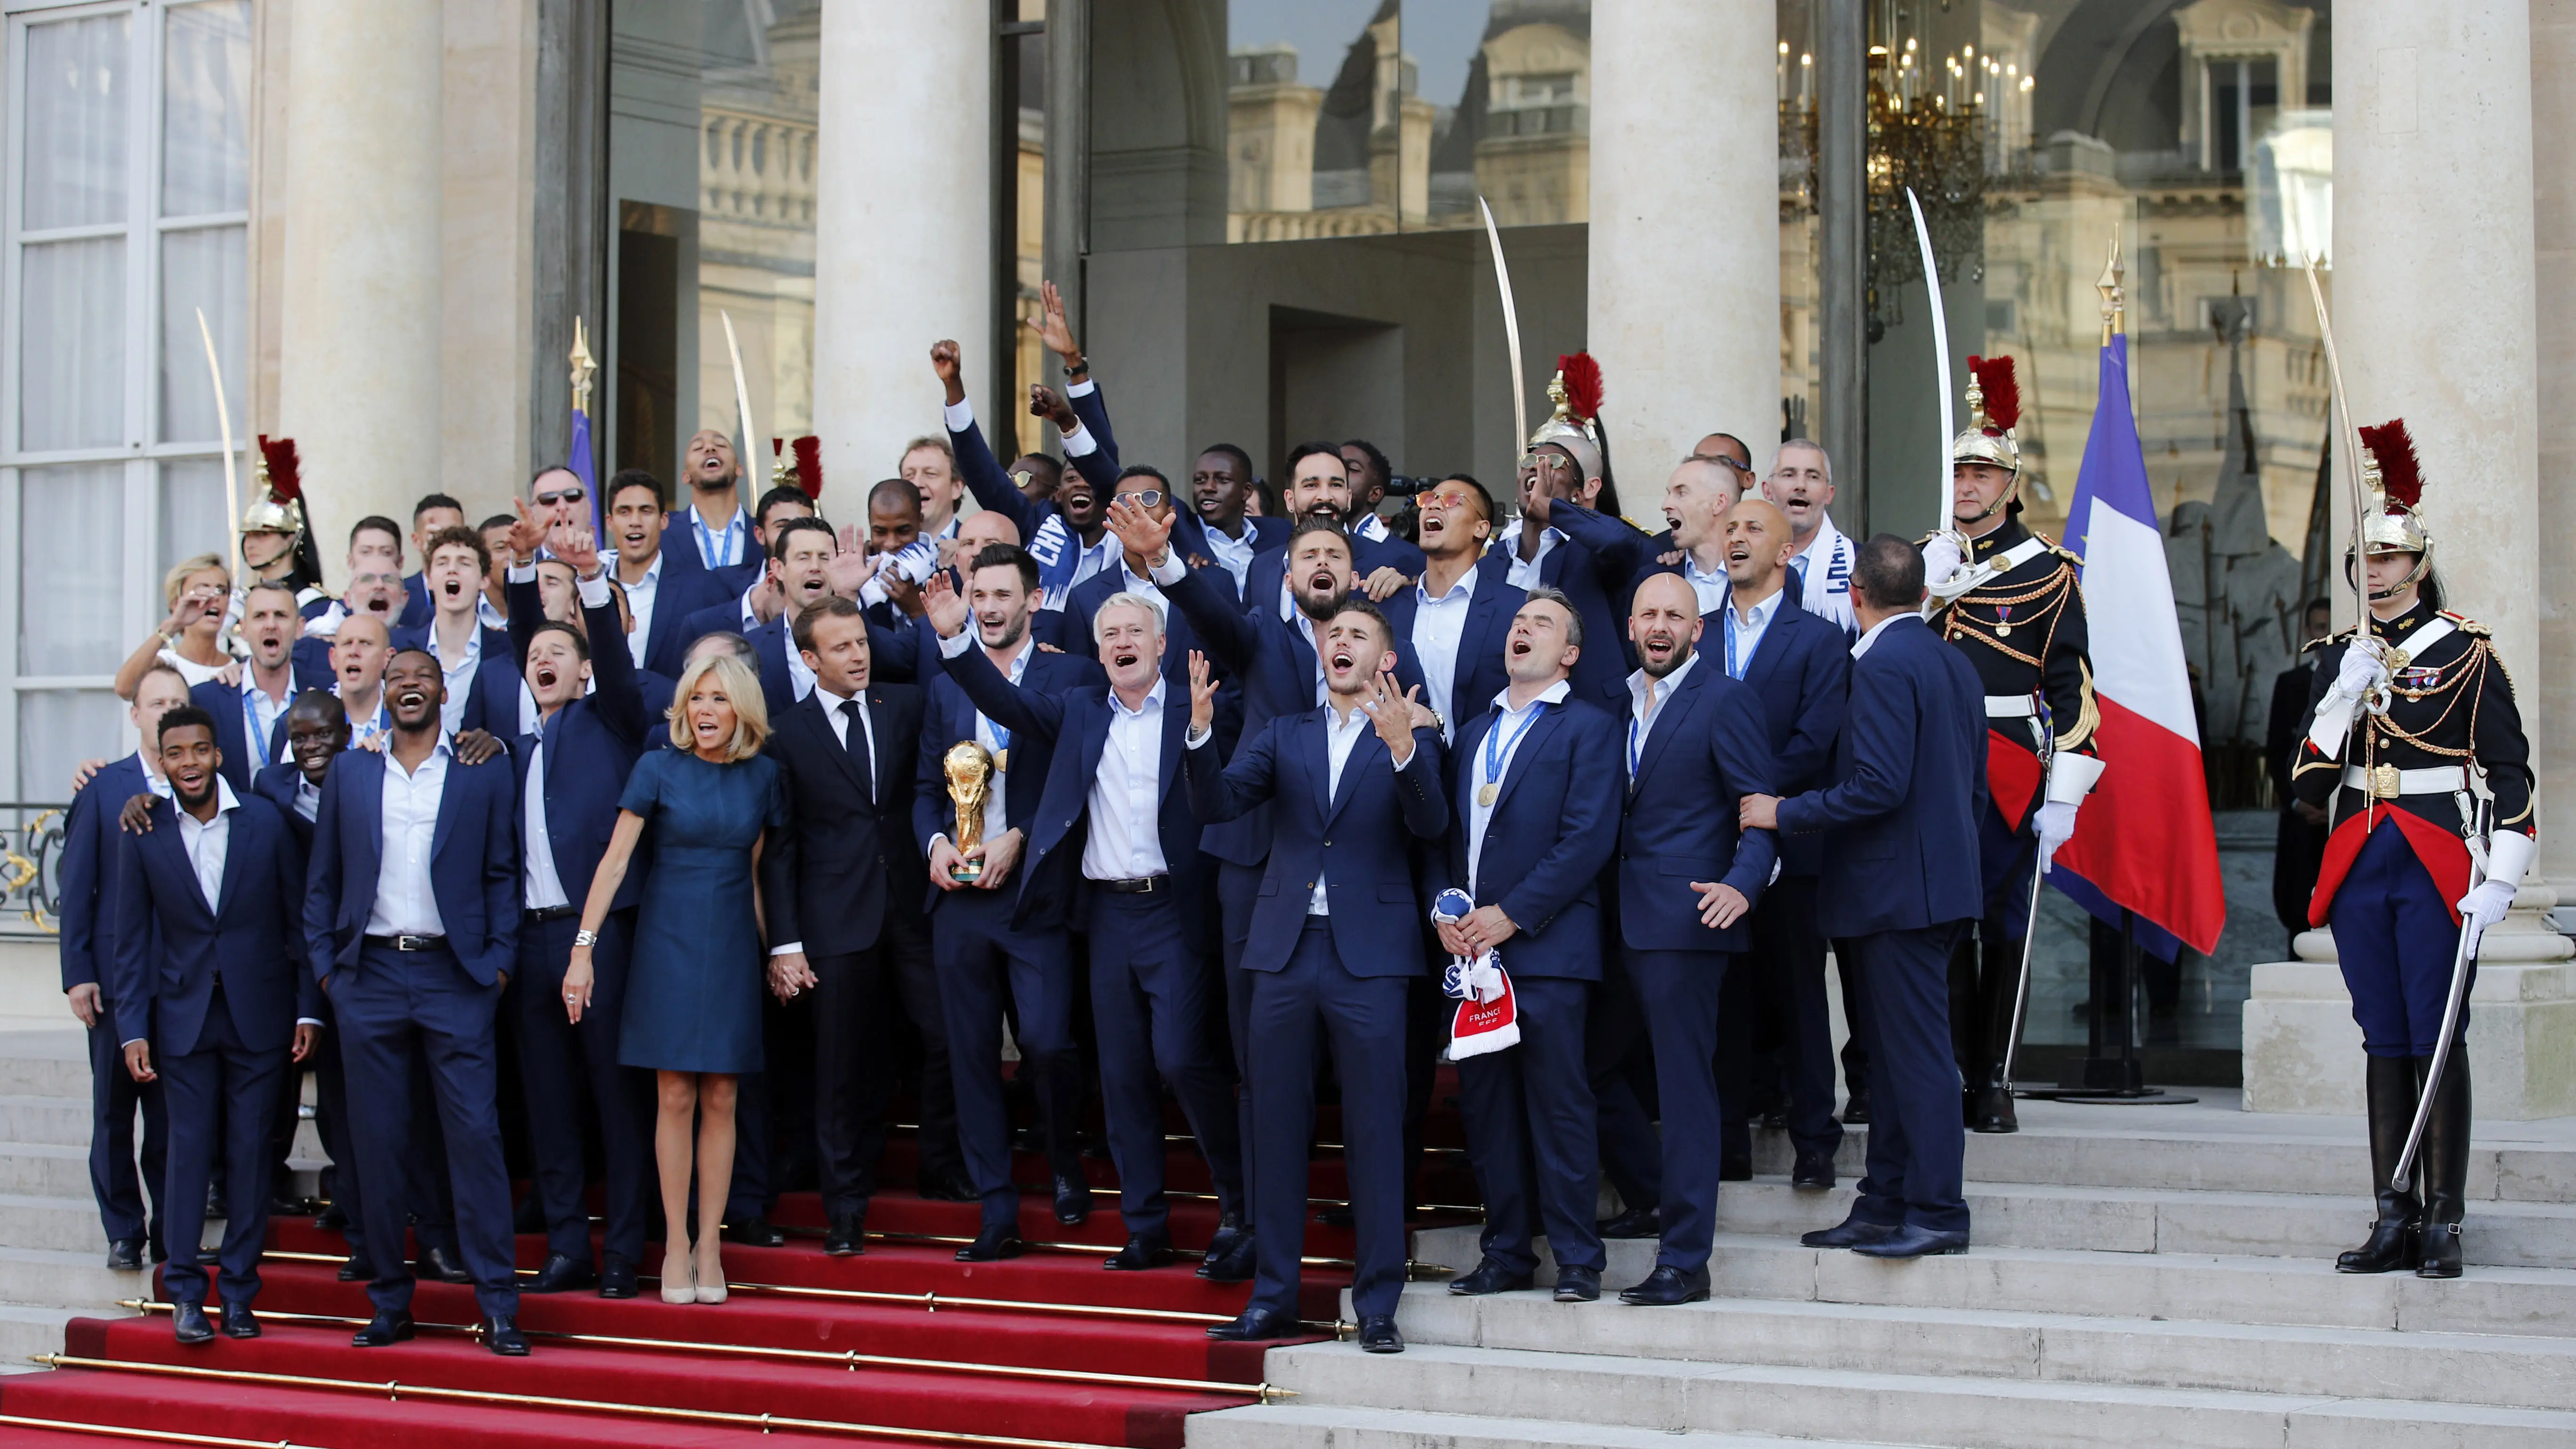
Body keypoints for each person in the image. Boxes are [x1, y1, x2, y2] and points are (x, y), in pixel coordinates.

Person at [928, 572, 1246, 1272]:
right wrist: (955, 636)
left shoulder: (1196, 708)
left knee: (1183, 1059)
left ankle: (1239, 1206)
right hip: (1105, 913)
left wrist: (1200, 731)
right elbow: (1001, 698)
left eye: (1136, 631)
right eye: (1110, 635)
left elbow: (1225, 791)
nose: (1122, 642)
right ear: (1096, 650)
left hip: (1173, 909)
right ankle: (1146, 1225)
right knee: (1124, 1072)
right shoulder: (1078, 709)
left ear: (1162, 644)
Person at [2290, 422, 2531, 1280]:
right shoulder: (2339, 658)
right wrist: (2339, 700)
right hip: (2362, 854)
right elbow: (2307, 785)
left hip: (2433, 853)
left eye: (2392, 559)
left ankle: (2443, 1217)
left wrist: (2502, 870)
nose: (2378, 572)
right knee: (2382, 1034)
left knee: (2436, 1035)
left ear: (2418, 566)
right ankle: (2391, 1210)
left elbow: (2511, 768)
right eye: (2368, 559)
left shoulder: (2466, 653)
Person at [1181, 598, 1445, 1353]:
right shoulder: (1283, 732)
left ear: (1385, 660)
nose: (1342, 643)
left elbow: (1431, 826)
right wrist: (1200, 734)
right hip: (1284, 950)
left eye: (1359, 635)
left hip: (1373, 955)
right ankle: (1274, 1295)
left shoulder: (1413, 730)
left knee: (1375, 1127)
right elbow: (1221, 803)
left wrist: (1403, 752)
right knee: (1275, 1124)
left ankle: (1379, 1304)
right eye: (1333, 636)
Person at [1747, 533, 1986, 1259]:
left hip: (1895, 894)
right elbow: (1972, 786)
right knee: (1891, 1055)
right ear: (1922, 592)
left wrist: (1784, 812)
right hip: (1930, 886)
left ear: (1856, 597)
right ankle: (1883, 1199)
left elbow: (1879, 785)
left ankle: (1939, 1209)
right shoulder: (1953, 660)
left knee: (1914, 1059)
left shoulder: (1883, 664)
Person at [301, 649, 528, 1354]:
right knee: (376, 1149)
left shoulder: (480, 769)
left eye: (421, 678)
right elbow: (323, 882)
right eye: (397, 678)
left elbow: (502, 871)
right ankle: (388, 1303)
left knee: (476, 1141)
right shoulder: (351, 770)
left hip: (456, 978)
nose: (408, 687)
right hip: (367, 977)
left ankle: (497, 1305)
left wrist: (497, 967)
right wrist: (331, 976)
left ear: (441, 692)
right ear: (382, 691)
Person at [1918, 358, 2103, 1135]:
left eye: (1981, 473)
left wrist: (2064, 790)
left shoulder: (2048, 572)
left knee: (2003, 923)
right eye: (1959, 471)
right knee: (1944, 922)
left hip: (2006, 764)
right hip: (1932, 763)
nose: (1966, 485)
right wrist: (1925, 591)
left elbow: (2075, 691)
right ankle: (1951, 1069)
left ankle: (1993, 1076)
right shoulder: (1928, 559)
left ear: (2008, 482)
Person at [567, 650, 786, 1304]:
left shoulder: (765, 777)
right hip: (667, 941)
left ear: (741, 708)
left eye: (719, 699)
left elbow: (756, 876)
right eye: (697, 698)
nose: (706, 711)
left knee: (722, 1094)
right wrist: (583, 949)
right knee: (674, 1096)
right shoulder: (657, 767)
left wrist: (776, 952)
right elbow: (613, 863)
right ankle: (675, 1242)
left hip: (729, 949)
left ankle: (710, 1246)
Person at [912, 544, 1105, 1258]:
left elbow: (1076, 782)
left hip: (1037, 897)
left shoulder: (1073, 676)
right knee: (969, 1053)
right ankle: (997, 1207)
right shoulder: (942, 686)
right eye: (979, 594)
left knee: (1050, 1042)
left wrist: (1020, 836)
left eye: (1001, 595)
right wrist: (933, 842)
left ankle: (1062, 1161)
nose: (988, 607)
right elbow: (926, 788)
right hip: (958, 902)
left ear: (1034, 599)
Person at [109, 705, 320, 1344]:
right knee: (185, 1158)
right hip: (182, 1020)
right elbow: (131, 938)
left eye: (200, 750)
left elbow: (298, 921)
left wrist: (309, 1005)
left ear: (217, 754)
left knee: (253, 1158)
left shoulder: (263, 820)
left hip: (262, 1017)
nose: (190, 763)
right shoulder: (143, 831)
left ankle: (237, 1293)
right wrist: (132, 1027)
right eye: (176, 754)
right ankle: (184, 1295)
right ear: (164, 761)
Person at [1435, 588, 1622, 1303]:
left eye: (1540, 624)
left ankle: (1577, 1257)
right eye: (1517, 621)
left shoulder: (1591, 727)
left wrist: (1513, 914)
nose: (1522, 630)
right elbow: (1457, 838)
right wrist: (1450, 913)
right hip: (1475, 956)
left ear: (1569, 652)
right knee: (1488, 1108)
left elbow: (1588, 840)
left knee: (1558, 1104)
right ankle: (1507, 1250)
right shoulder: (1477, 730)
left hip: (1546, 948)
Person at [1599, 572, 1778, 1306]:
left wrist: (1744, 882)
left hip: (1687, 921)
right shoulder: (1607, 700)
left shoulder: (1727, 699)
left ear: (1697, 630)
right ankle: (1648, 1190)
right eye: (1649, 613)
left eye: (1676, 614)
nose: (1661, 625)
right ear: (1632, 626)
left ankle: (1685, 1259)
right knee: (1581, 1065)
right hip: (1606, 919)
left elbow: (1758, 808)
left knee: (1685, 1088)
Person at [757, 596, 936, 1255]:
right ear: (810, 660)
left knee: (942, 1036)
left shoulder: (905, 705)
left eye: (862, 642)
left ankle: (942, 1169)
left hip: (914, 909)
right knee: (837, 1068)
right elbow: (781, 846)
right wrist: (786, 939)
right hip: (833, 921)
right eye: (842, 647)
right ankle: (846, 1211)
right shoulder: (786, 732)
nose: (859, 655)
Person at [507, 546, 654, 1298]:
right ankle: (567, 1246)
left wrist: (588, 586)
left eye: (560, 650)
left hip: (600, 935)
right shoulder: (511, 748)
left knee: (614, 1095)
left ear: (585, 666)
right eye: (535, 653)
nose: (545, 659)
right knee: (549, 1102)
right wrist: (518, 578)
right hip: (529, 940)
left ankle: (625, 1247)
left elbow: (622, 670)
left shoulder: (611, 718)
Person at [1705, 499, 1853, 1188]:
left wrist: (1753, 798)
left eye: (1752, 529)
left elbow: (1814, 742)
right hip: (1709, 847)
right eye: (1729, 528)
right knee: (1725, 995)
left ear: (1785, 552)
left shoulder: (1819, 639)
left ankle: (1816, 1141)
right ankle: (1728, 1139)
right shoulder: (1696, 634)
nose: (1736, 538)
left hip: (1789, 846)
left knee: (1798, 995)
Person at [59, 665, 190, 1271]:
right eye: (156, 703)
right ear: (135, 714)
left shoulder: (204, 785)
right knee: (114, 1112)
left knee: (170, 1117)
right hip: (114, 981)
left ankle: (170, 1229)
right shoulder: (103, 789)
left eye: (177, 703)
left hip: (183, 982)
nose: (166, 711)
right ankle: (122, 1228)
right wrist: (77, 971)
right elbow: (77, 885)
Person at [1492, 366, 1639, 706]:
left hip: (1585, 712)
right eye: (1529, 460)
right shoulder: (1492, 557)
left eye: (1553, 462)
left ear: (1579, 492)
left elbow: (1621, 542)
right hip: (1505, 709)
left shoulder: (1594, 552)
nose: (1536, 468)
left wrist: (1551, 509)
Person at [1379, 477, 1521, 746]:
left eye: (1452, 500)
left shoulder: (1514, 609)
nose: (1434, 506)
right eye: (1429, 499)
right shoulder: (1388, 605)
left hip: (1480, 772)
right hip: (1395, 771)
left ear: (1481, 528)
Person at [394, 525, 522, 737]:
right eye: (442, 562)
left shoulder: (507, 650)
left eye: (464, 563)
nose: (452, 570)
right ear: (429, 579)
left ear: (484, 580)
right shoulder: (399, 646)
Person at [194, 581, 310, 794]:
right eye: (260, 616)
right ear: (244, 629)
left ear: (300, 627)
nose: (271, 625)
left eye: (281, 615)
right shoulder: (207, 700)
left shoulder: (321, 693)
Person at [2268, 598, 2334, 952]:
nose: (2325, 637)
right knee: (2296, 900)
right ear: (2308, 632)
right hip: (2299, 816)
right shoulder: (2290, 683)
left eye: (2330, 628)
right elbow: (2277, 749)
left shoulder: (2355, 682)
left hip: (2340, 817)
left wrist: (2333, 807)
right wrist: (2297, 801)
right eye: (2319, 628)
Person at [1763, 439, 1859, 632]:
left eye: (1813, 477)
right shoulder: (1742, 560)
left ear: (1829, 494)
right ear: (1768, 490)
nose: (1801, 485)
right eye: (1789, 475)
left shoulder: (1860, 563)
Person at [1182, 444, 1284, 592]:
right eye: (1200, 480)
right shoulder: (1181, 533)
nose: (1208, 487)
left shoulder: (1278, 534)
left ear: (1246, 492)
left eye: (1222, 480)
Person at [327, 615, 395, 750]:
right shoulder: (304, 719)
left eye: (366, 643)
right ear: (333, 658)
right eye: (347, 643)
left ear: (388, 658)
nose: (354, 652)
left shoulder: (405, 720)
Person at [400, 494, 467, 628]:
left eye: (454, 534)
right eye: (436, 535)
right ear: (417, 541)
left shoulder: (478, 592)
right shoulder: (400, 595)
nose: (445, 541)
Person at [1339, 439, 1395, 543]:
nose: (1338, 473)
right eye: (1336, 466)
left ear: (1374, 494)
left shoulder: (1400, 554)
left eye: (1353, 469)